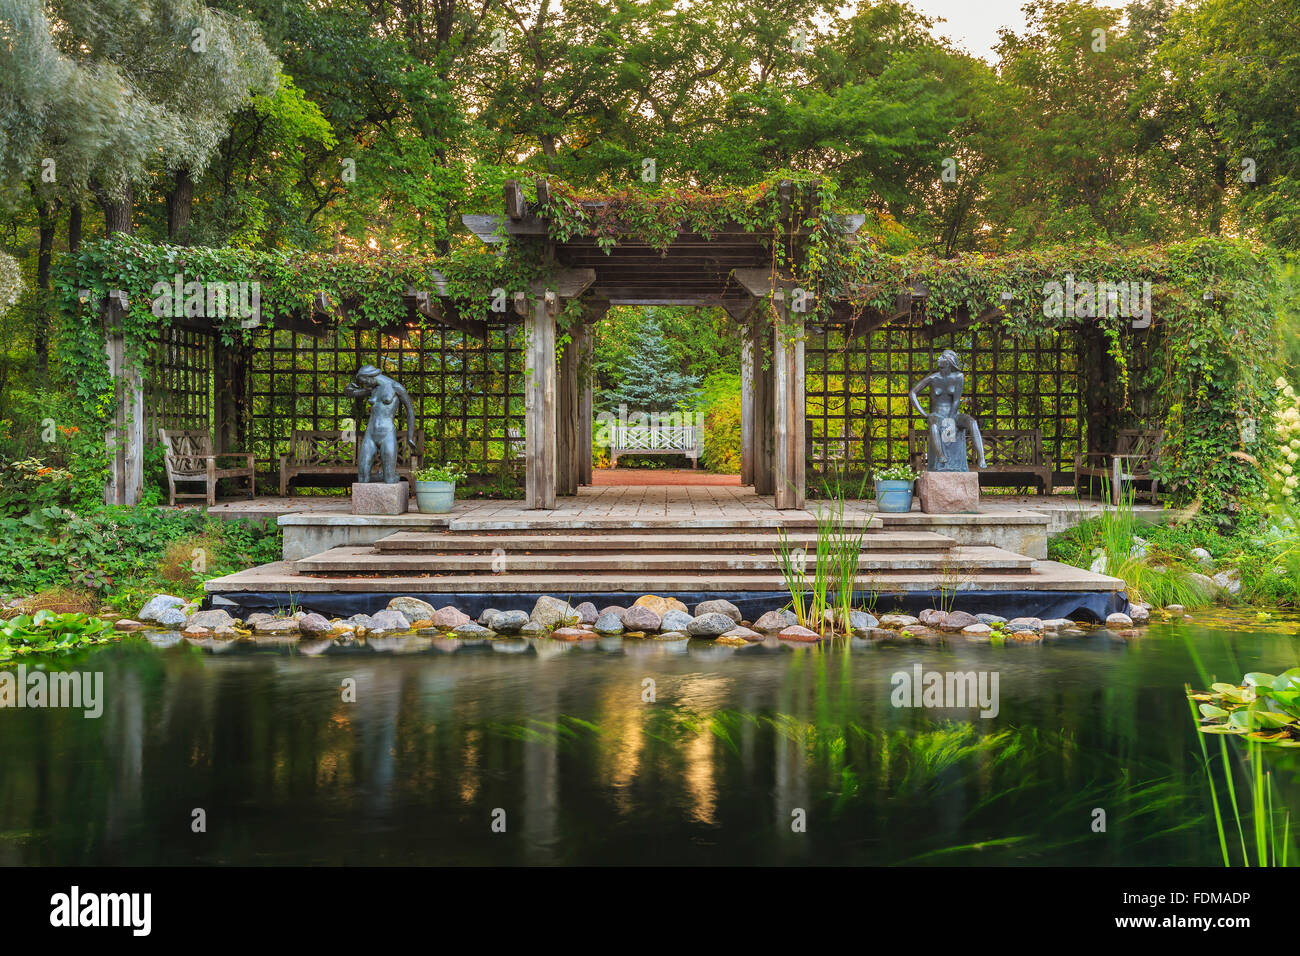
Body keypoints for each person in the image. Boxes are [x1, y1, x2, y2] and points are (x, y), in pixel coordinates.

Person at [908, 349, 986, 470]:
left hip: (953, 414)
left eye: (942, 357)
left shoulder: (959, 377)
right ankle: (941, 457)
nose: (938, 358)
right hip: (937, 415)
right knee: (934, 425)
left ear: (949, 362)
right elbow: (912, 393)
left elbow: (956, 400)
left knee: (972, 422)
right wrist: (924, 413)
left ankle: (981, 458)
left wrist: (950, 420)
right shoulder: (932, 378)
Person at [344, 364, 416, 483]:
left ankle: (391, 476)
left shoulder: (395, 387)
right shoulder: (373, 389)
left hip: (387, 434)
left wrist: (410, 436)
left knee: (389, 479)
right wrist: (348, 389)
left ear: (370, 377)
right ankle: (381, 478)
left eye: (364, 381)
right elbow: (351, 393)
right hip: (370, 434)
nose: (365, 385)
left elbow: (410, 411)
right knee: (362, 477)